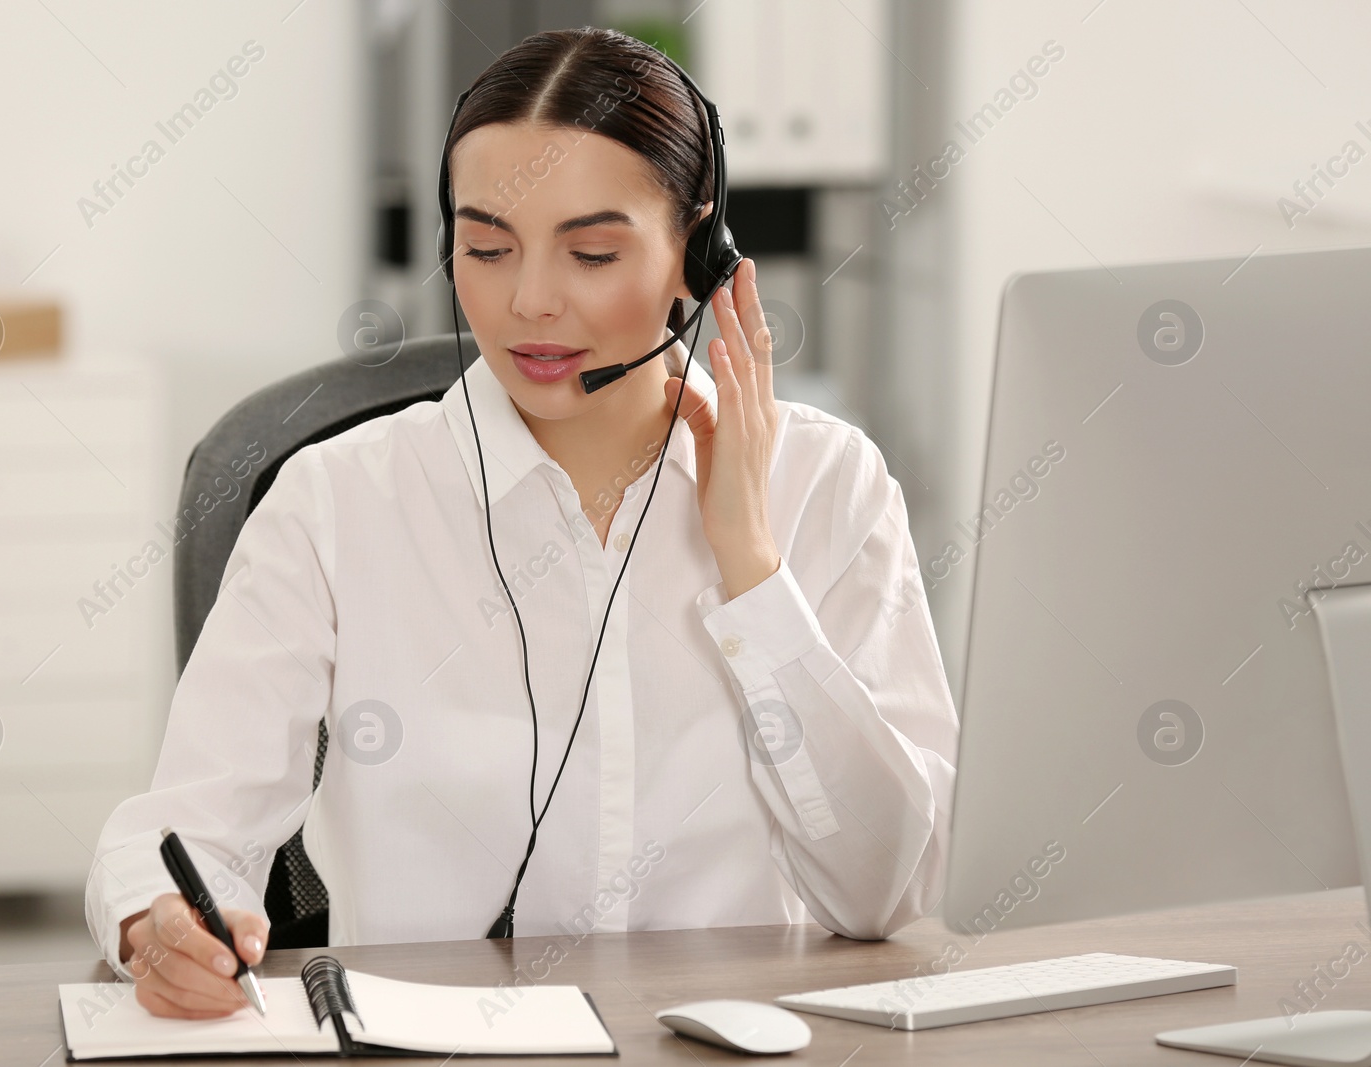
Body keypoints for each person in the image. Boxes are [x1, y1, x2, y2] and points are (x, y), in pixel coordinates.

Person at [85, 26, 959, 1020]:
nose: (529, 300)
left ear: (696, 251)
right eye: (487, 247)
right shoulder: (335, 502)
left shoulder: (829, 483)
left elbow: (888, 888)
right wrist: (159, 923)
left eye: (591, 251)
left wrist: (752, 569)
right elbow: (187, 827)